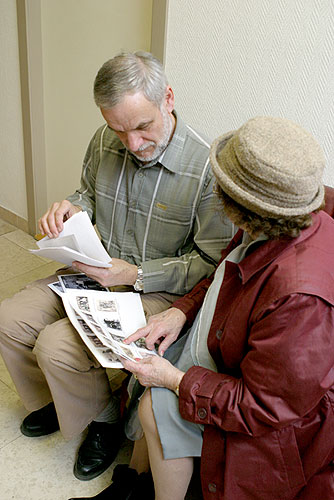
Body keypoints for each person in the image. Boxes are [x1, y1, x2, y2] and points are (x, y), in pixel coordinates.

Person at [0, 51, 233, 482]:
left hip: (154, 288)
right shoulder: (104, 139)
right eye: (118, 130)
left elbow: (209, 263)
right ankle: (65, 397)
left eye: (142, 127)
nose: (132, 144)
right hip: (93, 271)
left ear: (167, 98)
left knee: (56, 346)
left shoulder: (206, 169)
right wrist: (71, 209)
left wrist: (136, 275)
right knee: (9, 319)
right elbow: (87, 193)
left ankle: (103, 421)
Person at [74, 116, 334, 500]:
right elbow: (225, 272)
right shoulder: (277, 221)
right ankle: (134, 483)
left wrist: (175, 381)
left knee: (155, 406)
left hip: (270, 420)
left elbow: (262, 408)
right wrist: (180, 311)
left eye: (221, 184)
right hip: (231, 346)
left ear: (243, 206)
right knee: (155, 360)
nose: (213, 188)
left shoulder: (300, 299)